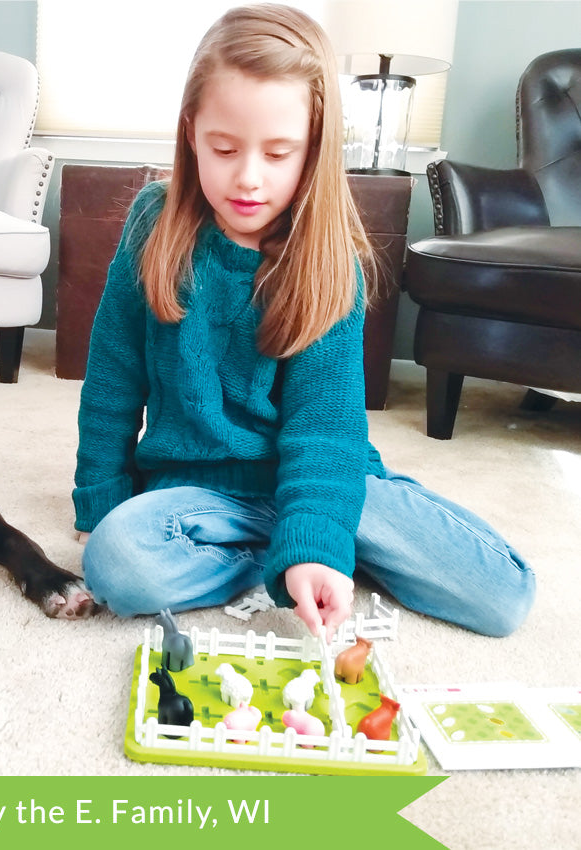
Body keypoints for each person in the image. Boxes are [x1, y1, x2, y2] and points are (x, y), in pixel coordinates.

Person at [72, 3, 535, 640]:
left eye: (279, 153)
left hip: (320, 465)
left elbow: (325, 428)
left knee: (502, 596)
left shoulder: (327, 259)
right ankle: (299, 549)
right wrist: (100, 492)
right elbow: (112, 377)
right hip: (201, 495)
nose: (248, 178)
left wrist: (319, 522)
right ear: (190, 132)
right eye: (225, 148)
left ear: (313, 149)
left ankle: (316, 531)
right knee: (117, 562)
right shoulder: (154, 225)